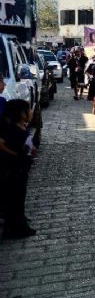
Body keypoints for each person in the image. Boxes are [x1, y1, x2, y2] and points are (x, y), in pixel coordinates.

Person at [0, 99, 36, 239]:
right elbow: (1, 144)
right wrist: (16, 154)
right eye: (28, 109)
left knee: (19, 197)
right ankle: (16, 228)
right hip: (15, 169)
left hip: (21, 168)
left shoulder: (22, 128)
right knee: (15, 197)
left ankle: (19, 221)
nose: (31, 111)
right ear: (22, 113)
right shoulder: (13, 130)